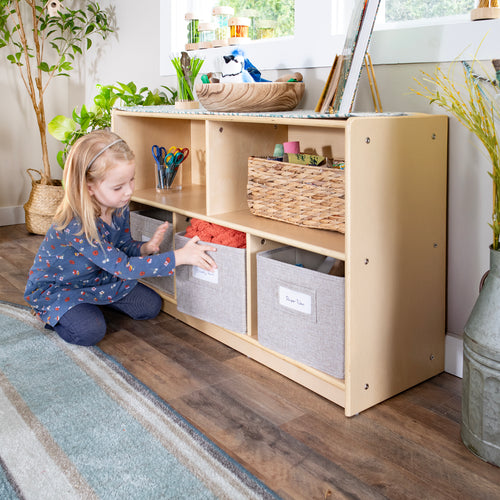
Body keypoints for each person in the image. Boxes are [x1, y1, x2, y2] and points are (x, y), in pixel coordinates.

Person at [25, 130, 217, 346]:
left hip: (101, 278)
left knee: (149, 306)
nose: (128, 192)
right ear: (90, 188)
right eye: (118, 187)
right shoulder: (76, 224)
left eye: (131, 180)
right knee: (90, 331)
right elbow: (123, 267)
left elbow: (122, 246)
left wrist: (144, 248)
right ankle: (51, 312)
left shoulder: (119, 207)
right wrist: (179, 257)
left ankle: (91, 305)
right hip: (61, 289)